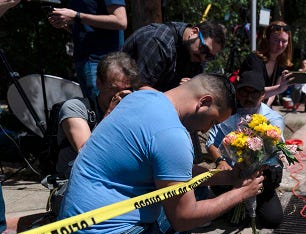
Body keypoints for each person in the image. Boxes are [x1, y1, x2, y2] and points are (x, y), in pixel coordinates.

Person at [50, 73, 264, 234]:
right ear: (204, 101)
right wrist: (241, 193)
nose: (208, 129)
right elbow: (184, 217)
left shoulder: (143, 98)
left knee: (194, 191)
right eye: (213, 121)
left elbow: (171, 172)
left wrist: (227, 178)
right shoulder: (172, 134)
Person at [206, 70, 285, 228]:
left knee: (273, 220)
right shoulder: (227, 113)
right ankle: (233, 201)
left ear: (263, 94)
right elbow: (211, 143)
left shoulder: (272, 118)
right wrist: (221, 161)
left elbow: (276, 151)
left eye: (253, 93)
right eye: (243, 92)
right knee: (234, 220)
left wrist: (253, 170)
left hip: (260, 175)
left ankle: (257, 198)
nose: (247, 97)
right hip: (232, 174)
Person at [55, 51, 141, 179]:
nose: (120, 95)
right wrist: (110, 114)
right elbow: (87, 155)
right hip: (78, 182)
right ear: (98, 83)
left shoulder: (134, 111)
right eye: (114, 89)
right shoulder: (75, 108)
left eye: (126, 89)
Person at [48, 0, 127, 99]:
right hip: (83, 60)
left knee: (104, 110)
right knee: (93, 110)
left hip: (103, 62)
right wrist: (65, 24)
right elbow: (87, 28)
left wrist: (76, 16)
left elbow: (121, 21)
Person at [122, 20, 225, 92]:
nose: (203, 58)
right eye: (204, 49)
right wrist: (177, 95)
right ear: (194, 32)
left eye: (210, 56)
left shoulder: (196, 54)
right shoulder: (160, 40)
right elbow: (139, 87)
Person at [239, 20, 294, 107]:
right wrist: (279, 88)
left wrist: (265, 109)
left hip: (262, 108)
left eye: (284, 41)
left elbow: (273, 93)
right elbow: (253, 93)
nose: (280, 45)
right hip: (244, 108)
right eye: (276, 40)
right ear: (267, 39)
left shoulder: (281, 63)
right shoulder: (254, 60)